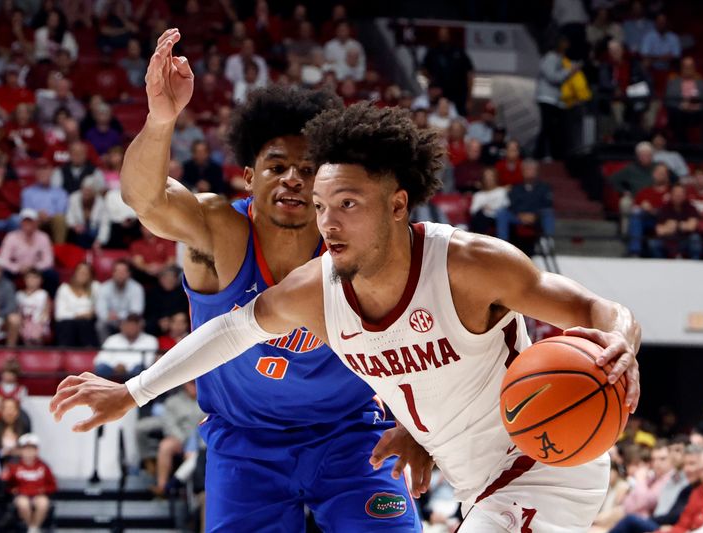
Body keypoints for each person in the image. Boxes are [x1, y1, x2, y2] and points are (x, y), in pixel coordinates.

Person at [52, 101, 642, 532]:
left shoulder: (468, 262)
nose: (328, 223)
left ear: (397, 205)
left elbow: (598, 308)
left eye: (347, 205)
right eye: (322, 207)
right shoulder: (314, 285)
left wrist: (620, 342)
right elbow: (230, 331)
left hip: (535, 460)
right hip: (445, 478)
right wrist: (133, 392)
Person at [55, 28, 426, 532]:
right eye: (276, 166)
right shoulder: (220, 232)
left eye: (307, 168)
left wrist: (414, 424)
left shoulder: (357, 245)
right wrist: (160, 119)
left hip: (352, 437)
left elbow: (416, 335)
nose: (292, 178)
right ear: (249, 177)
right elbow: (147, 200)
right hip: (245, 444)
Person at [1, 433, 56, 533]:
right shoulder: (14, 466)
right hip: (22, 495)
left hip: (38, 495)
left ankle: (34, 528)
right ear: (20, 451)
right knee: (23, 504)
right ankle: (30, 526)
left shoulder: (43, 466)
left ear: (37, 450)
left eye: (32, 449)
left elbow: (53, 485)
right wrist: (12, 489)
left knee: (43, 503)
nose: (29, 453)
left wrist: (44, 490)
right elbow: (7, 484)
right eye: (26, 449)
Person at [93, 314, 157, 380]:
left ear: (140, 326)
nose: (130, 328)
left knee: (139, 369)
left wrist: (126, 368)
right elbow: (99, 360)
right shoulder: (112, 339)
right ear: (121, 326)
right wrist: (116, 366)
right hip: (113, 371)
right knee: (101, 368)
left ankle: (131, 390)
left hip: (136, 374)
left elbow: (148, 362)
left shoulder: (150, 340)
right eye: (127, 325)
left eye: (133, 325)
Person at [94, 260, 144, 342]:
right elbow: (101, 311)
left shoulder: (137, 288)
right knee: (100, 325)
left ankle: (133, 350)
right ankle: (106, 350)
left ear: (129, 274)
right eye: (118, 271)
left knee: (140, 323)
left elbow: (136, 312)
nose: (120, 275)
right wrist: (108, 317)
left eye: (123, 272)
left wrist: (120, 316)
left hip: (129, 321)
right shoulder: (104, 288)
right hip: (110, 321)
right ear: (113, 273)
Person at [53, 262, 98, 347]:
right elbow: (60, 314)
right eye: (80, 272)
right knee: (68, 325)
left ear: (90, 276)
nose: (82, 275)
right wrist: (80, 315)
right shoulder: (64, 289)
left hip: (87, 324)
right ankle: (64, 353)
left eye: (86, 273)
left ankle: (88, 352)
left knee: (84, 324)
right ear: (75, 273)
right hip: (67, 325)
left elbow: (97, 309)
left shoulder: (95, 287)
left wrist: (91, 313)